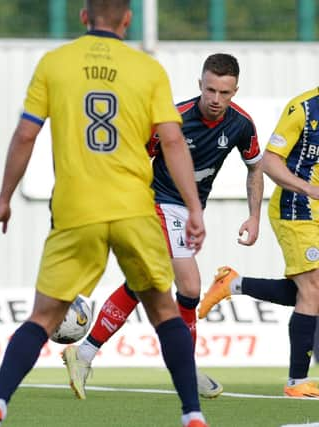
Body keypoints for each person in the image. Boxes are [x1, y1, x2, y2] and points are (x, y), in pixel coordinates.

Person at [0, 1, 208, 426]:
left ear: (83, 16)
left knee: (42, 318)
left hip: (77, 209)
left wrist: (4, 198)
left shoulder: (55, 63)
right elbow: (172, 142)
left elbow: (26, 133)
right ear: (128, 19)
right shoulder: (148, 69)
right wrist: (192, 206)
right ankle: (192, 416)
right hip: (134, 209)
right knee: (165, 311)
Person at [62, 53, 264, 400]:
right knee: (189, 285)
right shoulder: (174, 118)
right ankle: (185, 368)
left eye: (224, 93)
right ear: (200, 84)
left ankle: (82, 354)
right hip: (156, 202)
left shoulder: (241, 125)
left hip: (190, 212)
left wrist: (254, 216)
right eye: (210, 90)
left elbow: (256, 167)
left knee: (145, 283)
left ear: (235, 91)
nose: (216, 99)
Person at [198, 88, 319, 397]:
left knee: (310, 291)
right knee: (314, 287)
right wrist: (310, 189)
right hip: (297, 209)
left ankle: (233, 284)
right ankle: (296, 382)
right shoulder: (303, 109)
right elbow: (270, 163)